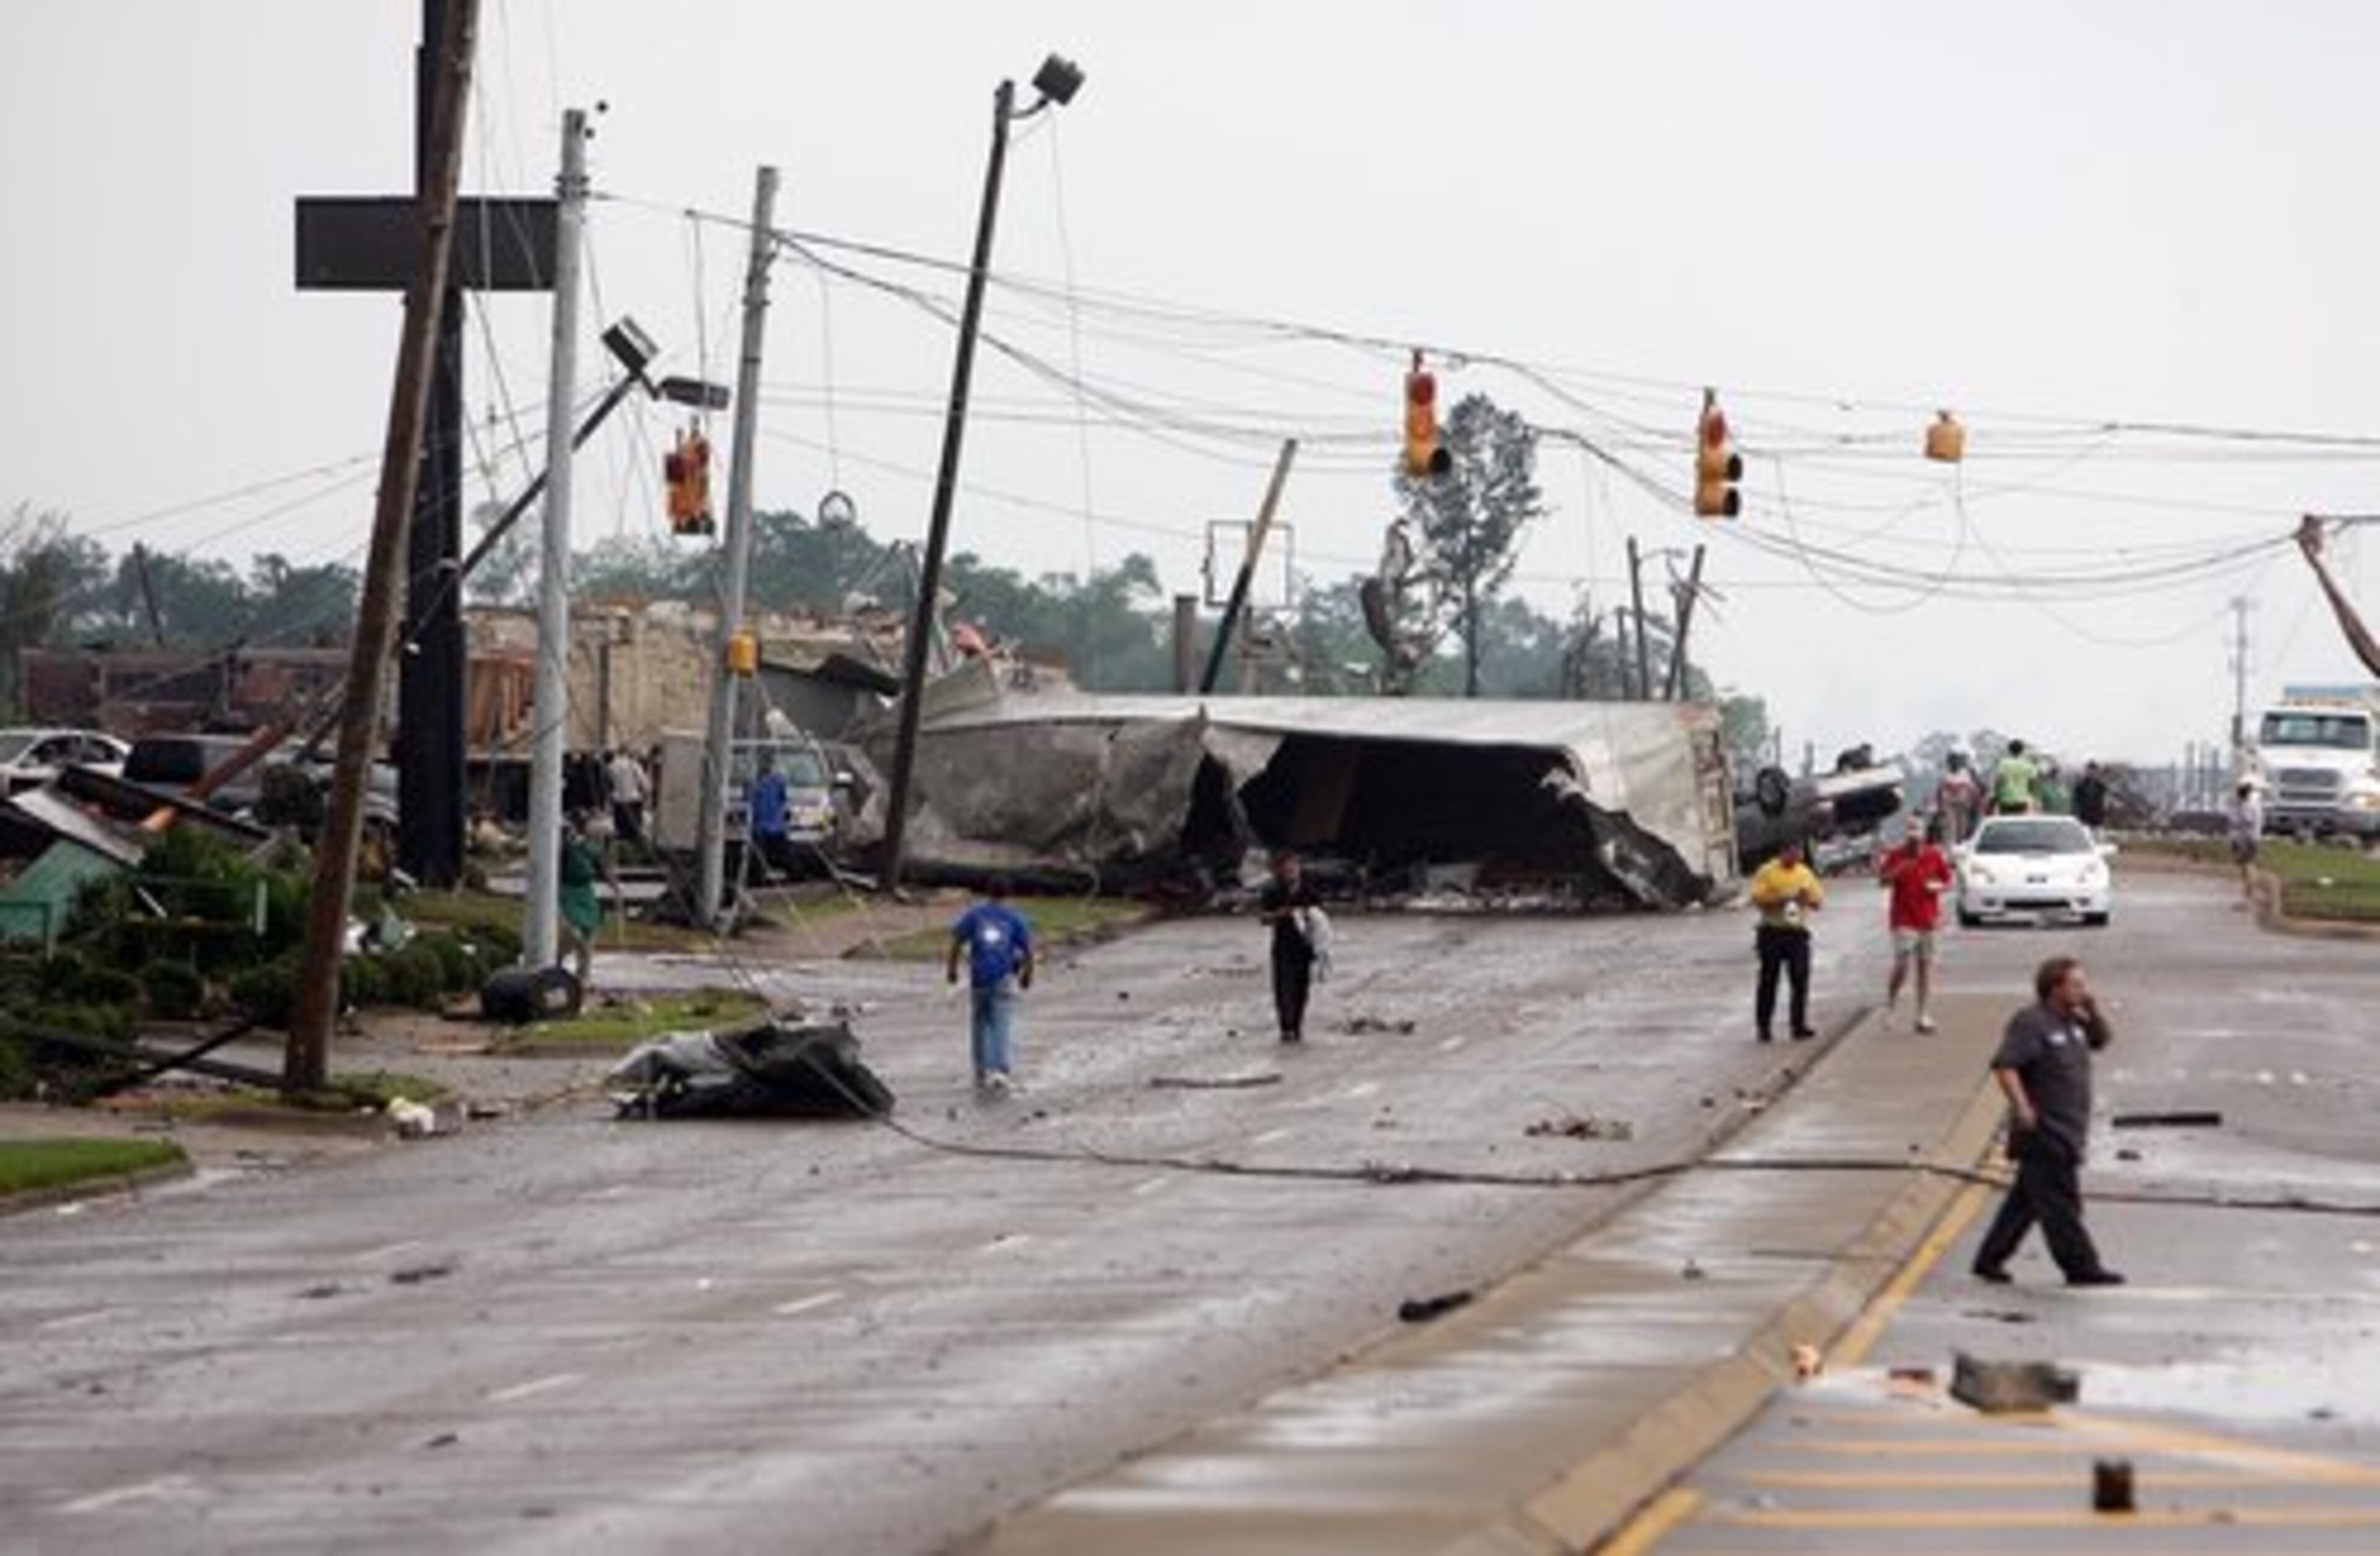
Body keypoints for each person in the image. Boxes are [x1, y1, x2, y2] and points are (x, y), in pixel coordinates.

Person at [1972, 956, 2124, 1287]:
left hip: (2070, 1129)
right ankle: (2081, 1266)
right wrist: (2022, 1106)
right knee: (2062, 1204)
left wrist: (2092, 1011)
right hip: (2044, 1130)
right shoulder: (2031, 1023)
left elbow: (2101, 1040)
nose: (2083, 991)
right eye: (2076, 985)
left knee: (2025, 1202)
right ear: (2055, 988)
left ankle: (1989, 1258)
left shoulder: (2074, 1021)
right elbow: (2005, 1066)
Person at [946, 879, 1035, 1093]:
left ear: (988, 893)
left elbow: (957, 940)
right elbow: (1028, 950)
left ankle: (981, 1067)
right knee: (1001, 1023)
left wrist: (952, 969)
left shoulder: (975, 915)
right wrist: (1027, 974)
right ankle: (1000, 1069)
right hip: (1003, 977)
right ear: (1009, 895)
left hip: (980, 978)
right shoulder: (1015, 918)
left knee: (980, 1023)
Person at [1879, 818, 1954, 1032]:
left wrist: (1938, 887)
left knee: (1925, 967)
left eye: (1918, 830)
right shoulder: (1896, 855)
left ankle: (1922, 1014)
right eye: (1911, 830)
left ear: (1924, 833)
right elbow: (1883, 881)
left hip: (1927, 918)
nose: (1914, 835)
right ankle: (1891, 1005)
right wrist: (1903, 866)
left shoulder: (1933, 855)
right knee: (1902, 963)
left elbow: (1947, 880)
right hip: (1903, 918)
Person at [1747, 839, 1824, 1042]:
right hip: (1772, 931)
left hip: (1796, 932)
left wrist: (1806, 899)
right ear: (1782, 853)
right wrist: (1783, 897)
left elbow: (1818, 901)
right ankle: (1764, 1027)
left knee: (1800, 978)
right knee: (1768, 980)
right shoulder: (1767, 872)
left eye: (1798, 853)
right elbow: (1756, 897)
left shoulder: (1805, 873)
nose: (1796, 857)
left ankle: (1798, 1025)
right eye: (1792, 853)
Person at [1258, 850, 1322, 1044]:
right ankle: (1286, 1028)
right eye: (1286, 870)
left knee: (1301, 988)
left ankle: (1297, 1025)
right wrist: (1282, 914)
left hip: (1304, 947)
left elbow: (1320, 918)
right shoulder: (1272, 891)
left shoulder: (1309, 890)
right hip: (1283, 946)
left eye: (1294, 869)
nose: (1291, 873)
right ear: (1280, 872)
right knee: (1283, 987)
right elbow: (1263, 919)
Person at [558, 811, 602, 991]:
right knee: (571, 932)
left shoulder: (590, 846)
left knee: (589, 933)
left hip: (585, 892)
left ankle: (584, 975)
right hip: (568, 891)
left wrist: (615, 886)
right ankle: (557, 964)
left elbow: (601, 864)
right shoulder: (566, 846)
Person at [747, 753, 793, 884]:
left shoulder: (758, 783)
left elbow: (750, 801)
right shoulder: (778, 781)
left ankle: (766, 873)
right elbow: (784, 799)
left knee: (764, 853)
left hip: (764, 826)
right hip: (773, 826)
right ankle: (773, 873)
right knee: (774, 853)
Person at [2228, 778, 2264, 903]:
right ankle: (2250, 893)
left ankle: (2249, 895)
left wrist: (2237, 826)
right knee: (2247, 867)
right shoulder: (2253, 804)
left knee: (2247, 867)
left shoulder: (2246, 805)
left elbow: (2247, 821)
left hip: (2247, 839)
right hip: (2252, 838)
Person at [607, 746, 650, 846]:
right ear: (628, 752)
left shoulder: (612, 766)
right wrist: (646, 794)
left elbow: (609, 783)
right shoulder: (634, 765)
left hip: (618, 801)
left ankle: (621, 849)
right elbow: (644, 782)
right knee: (634, 830)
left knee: (620, 830)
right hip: (633, 800)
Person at [1936, 751, 1982, 843]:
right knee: (1951, 826)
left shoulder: (1965, 774)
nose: (1954, 765)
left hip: (1963, 804)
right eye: (1952, 763)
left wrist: (1973, 803)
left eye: (1955, 762)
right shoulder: (1944, 775)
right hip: (1949, 805)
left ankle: (1960, 843)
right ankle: (1952, 844)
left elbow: (1972, 790)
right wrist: (1940, 806)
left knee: (1962, 826)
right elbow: (1940, 791)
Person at [1991, 739, 2040, 815]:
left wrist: (1996, 794)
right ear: (2022, 751)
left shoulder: (2004, 764)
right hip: (2022, 800)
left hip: (2005, 799)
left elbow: (1999, 780)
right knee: (2018, 822)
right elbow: (2032, 784)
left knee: (2006, 822)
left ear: (2009, 750)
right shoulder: (2029, 765)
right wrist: (2032, 796)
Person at [2071, 761, 2110, 833]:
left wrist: (2104, 814)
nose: (2092, 773)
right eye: (2090, 770)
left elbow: (2105, 801)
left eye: (2094, 771)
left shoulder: (2100, 786)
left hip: (2097, 819)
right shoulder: (2080, 786)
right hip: (2084, 819)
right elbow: (2076, 801)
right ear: (2086, 771)